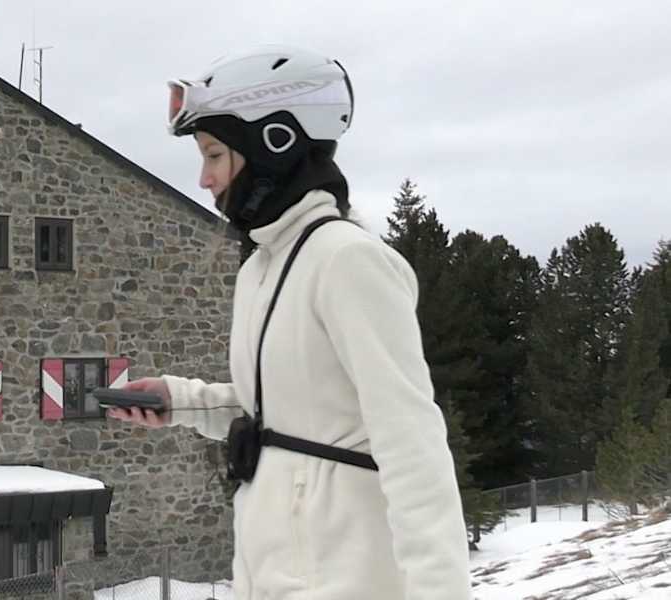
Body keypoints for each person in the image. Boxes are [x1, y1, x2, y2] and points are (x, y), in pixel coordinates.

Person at [108, 45, 471, 599]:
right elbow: (292, 406)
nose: (204, 179)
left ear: (273, 147)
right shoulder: (263, 267)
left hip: (344, 576)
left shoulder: (348, 260)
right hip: (273, 571)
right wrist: (178, 398)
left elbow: (412, 439)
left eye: (213, 155)